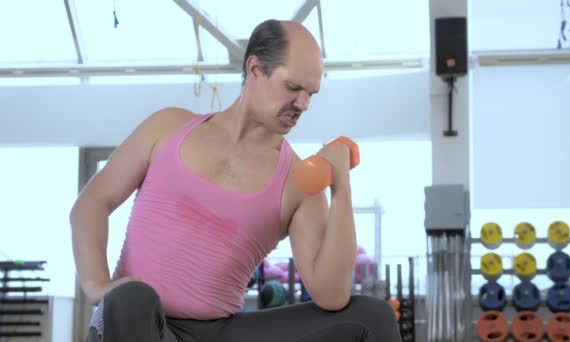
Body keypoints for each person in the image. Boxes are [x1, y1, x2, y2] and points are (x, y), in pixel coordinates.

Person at [70, 19, 402, 342]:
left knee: (372, 318)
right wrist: (97, 284)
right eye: (293, 88)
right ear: (255, 67)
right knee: (132, 297)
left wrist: (341, 186)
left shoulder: (297, 181)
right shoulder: (167, 128)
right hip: (135, 323)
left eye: (311, 94)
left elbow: (331, 296)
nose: (302, 104)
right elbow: (91, 204)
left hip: (218, 331)